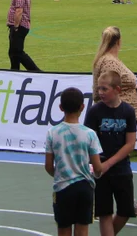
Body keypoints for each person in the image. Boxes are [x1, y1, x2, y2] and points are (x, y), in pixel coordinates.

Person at [44, 86, 103, 236]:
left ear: (60, 107)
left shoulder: (52, 133)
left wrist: (58, 174)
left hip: (63, 187)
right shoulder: (90, 134)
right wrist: (95, 172)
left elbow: (49, 166)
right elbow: (97, 167)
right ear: (82, 107)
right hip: (84, 188)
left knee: (63, 228)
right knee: (82, 229)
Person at [84, 71, 136, 236]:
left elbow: (130, 144)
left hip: (121, 168)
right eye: (99, 89)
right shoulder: (95, 112)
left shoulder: (127, 111)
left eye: (105, 89)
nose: (100, 93)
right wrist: (97, 164)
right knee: (104, 213)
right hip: (100, 170)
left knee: (125, 210)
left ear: (117, 90)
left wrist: (108, 163)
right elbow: (89, 141)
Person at [91, 26, 137, 115]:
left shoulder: (109, 60)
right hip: (118, 117)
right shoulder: (110, 63)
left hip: (121, 115)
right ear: (119, 41)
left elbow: (113, 85)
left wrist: (133, 88)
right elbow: (106, 90)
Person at [6, 0, 40, 72]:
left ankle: (37, 72)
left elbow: (19, 10)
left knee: (18, 52)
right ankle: (14, 71)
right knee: (13, 52)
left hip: (19, 26)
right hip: (19, 25)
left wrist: (16, 26)